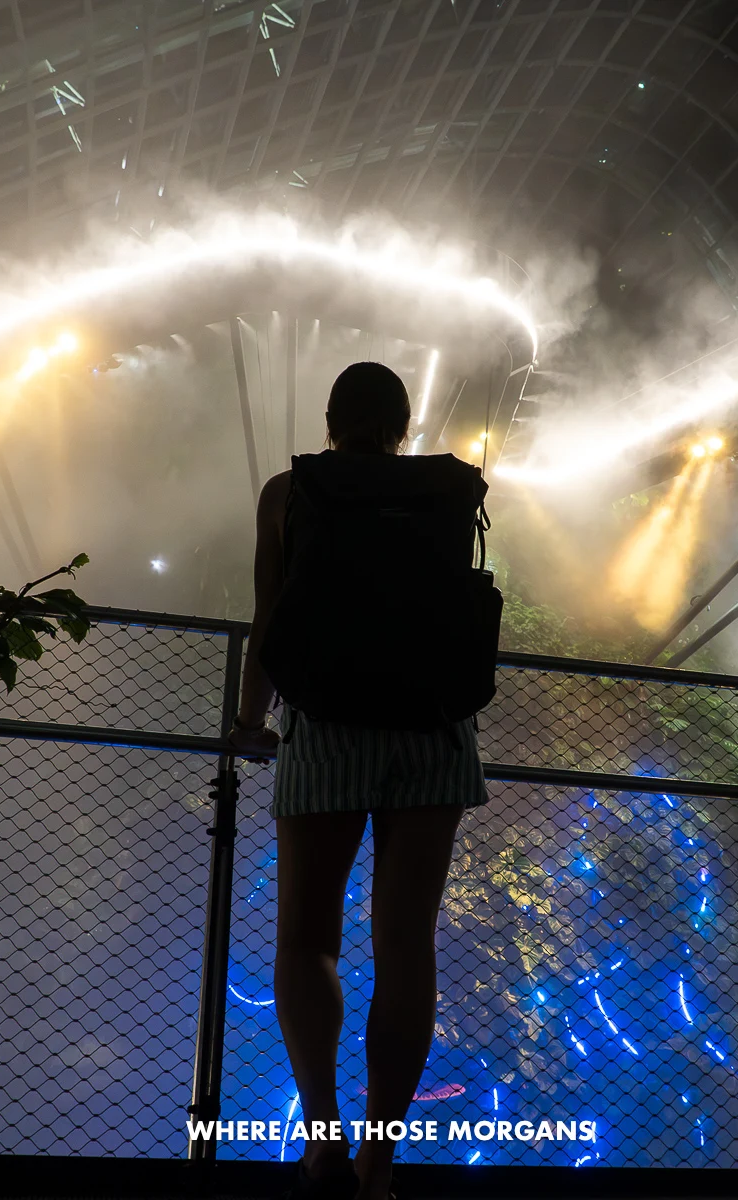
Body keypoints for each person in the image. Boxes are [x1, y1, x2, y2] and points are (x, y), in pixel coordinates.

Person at [228, 362, 490, 1200]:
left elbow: (271, 617)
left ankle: (323, 1137)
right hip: (433, 731)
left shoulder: (289, 493)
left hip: (327, 726)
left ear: (331, 418)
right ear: (404, 424)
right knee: (404, 944)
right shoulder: (452, 492)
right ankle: (383, 1157)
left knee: (308, 939)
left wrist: (248, 720)